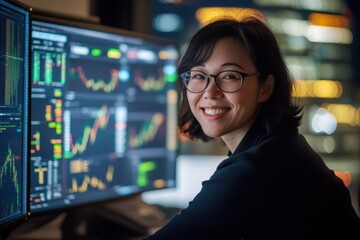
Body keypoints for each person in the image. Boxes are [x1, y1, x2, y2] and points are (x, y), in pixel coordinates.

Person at [145, 14, 360, 239]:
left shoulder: (256, 170)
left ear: (265, 88)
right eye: (199, 75)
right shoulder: (282, 146)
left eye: (229, 76)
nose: (210, 92)